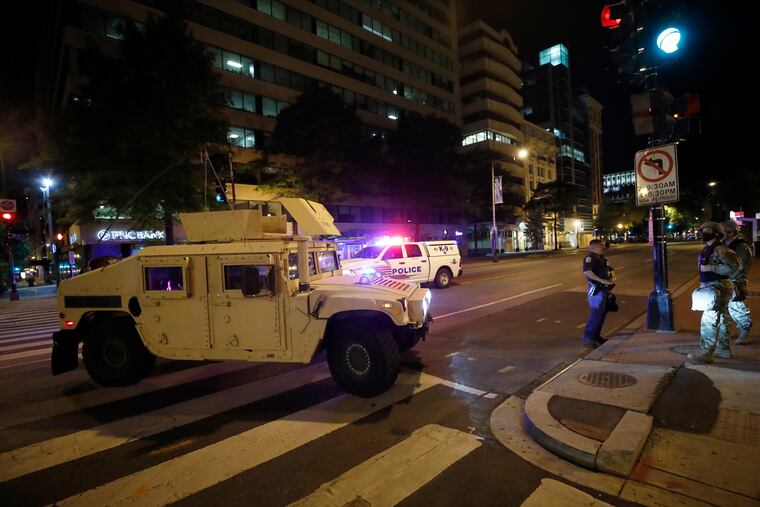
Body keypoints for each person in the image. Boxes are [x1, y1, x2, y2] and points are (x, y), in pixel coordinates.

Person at [688, 222, 740, 363]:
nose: (704, 232)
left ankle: (706, 353)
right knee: (722, 319)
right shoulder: (709, 248)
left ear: (717, 233)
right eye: (703, 230)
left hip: (718, 286)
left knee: (708, 320)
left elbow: (734, 266)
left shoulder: (721, 249)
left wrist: (712, 268)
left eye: (708, 230)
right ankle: (723, 350)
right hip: (712, 286)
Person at [723, 220, 753, 344]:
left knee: (737, 306)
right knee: (723, 308)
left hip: (736, 280)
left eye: (724, 232)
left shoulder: (741, 247)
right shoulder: (724, 245)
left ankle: (744, 331)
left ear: (731, 232)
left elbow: (741, 266)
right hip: (724, 280)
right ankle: (727, 331)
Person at [582, 239, 615, 348]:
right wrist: (601, 280)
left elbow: (609, 269)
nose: (602, 248)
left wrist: (611, 277)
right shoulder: (590, 258)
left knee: (601, 314)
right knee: (596, 314)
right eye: (600, 246)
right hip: (596, 290)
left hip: (604, 289)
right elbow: (587, 272)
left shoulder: (601, 258)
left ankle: (596, 336)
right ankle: (589, 338)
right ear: (594, 247)